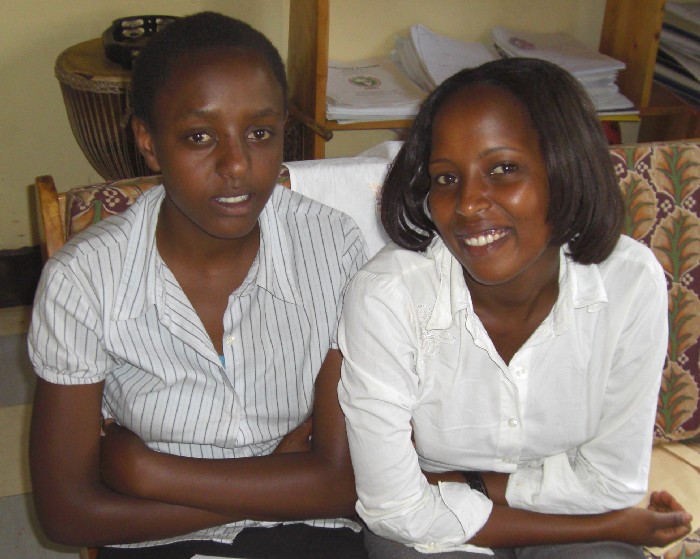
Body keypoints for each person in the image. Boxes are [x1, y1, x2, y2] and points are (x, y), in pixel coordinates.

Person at [28, 12, 368, 559]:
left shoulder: (333, 246)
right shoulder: (83, 280)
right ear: (149, 142)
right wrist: (276, 478)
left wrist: (149, 472)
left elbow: (349, 483)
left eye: (260, 133)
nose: (236, 164)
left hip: (304, 528)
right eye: (199, 137)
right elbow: (67, 514)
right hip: (152, 534)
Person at [337, 57, 693, 559]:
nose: (468, 204)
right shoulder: (388, 296)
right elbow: (397, 510)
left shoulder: (629, 282)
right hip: (431, 535)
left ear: (565, 170)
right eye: (445, 178)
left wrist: (465, 482)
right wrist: (616, 525)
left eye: (503, 169)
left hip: (469, 500)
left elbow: (611, 482)